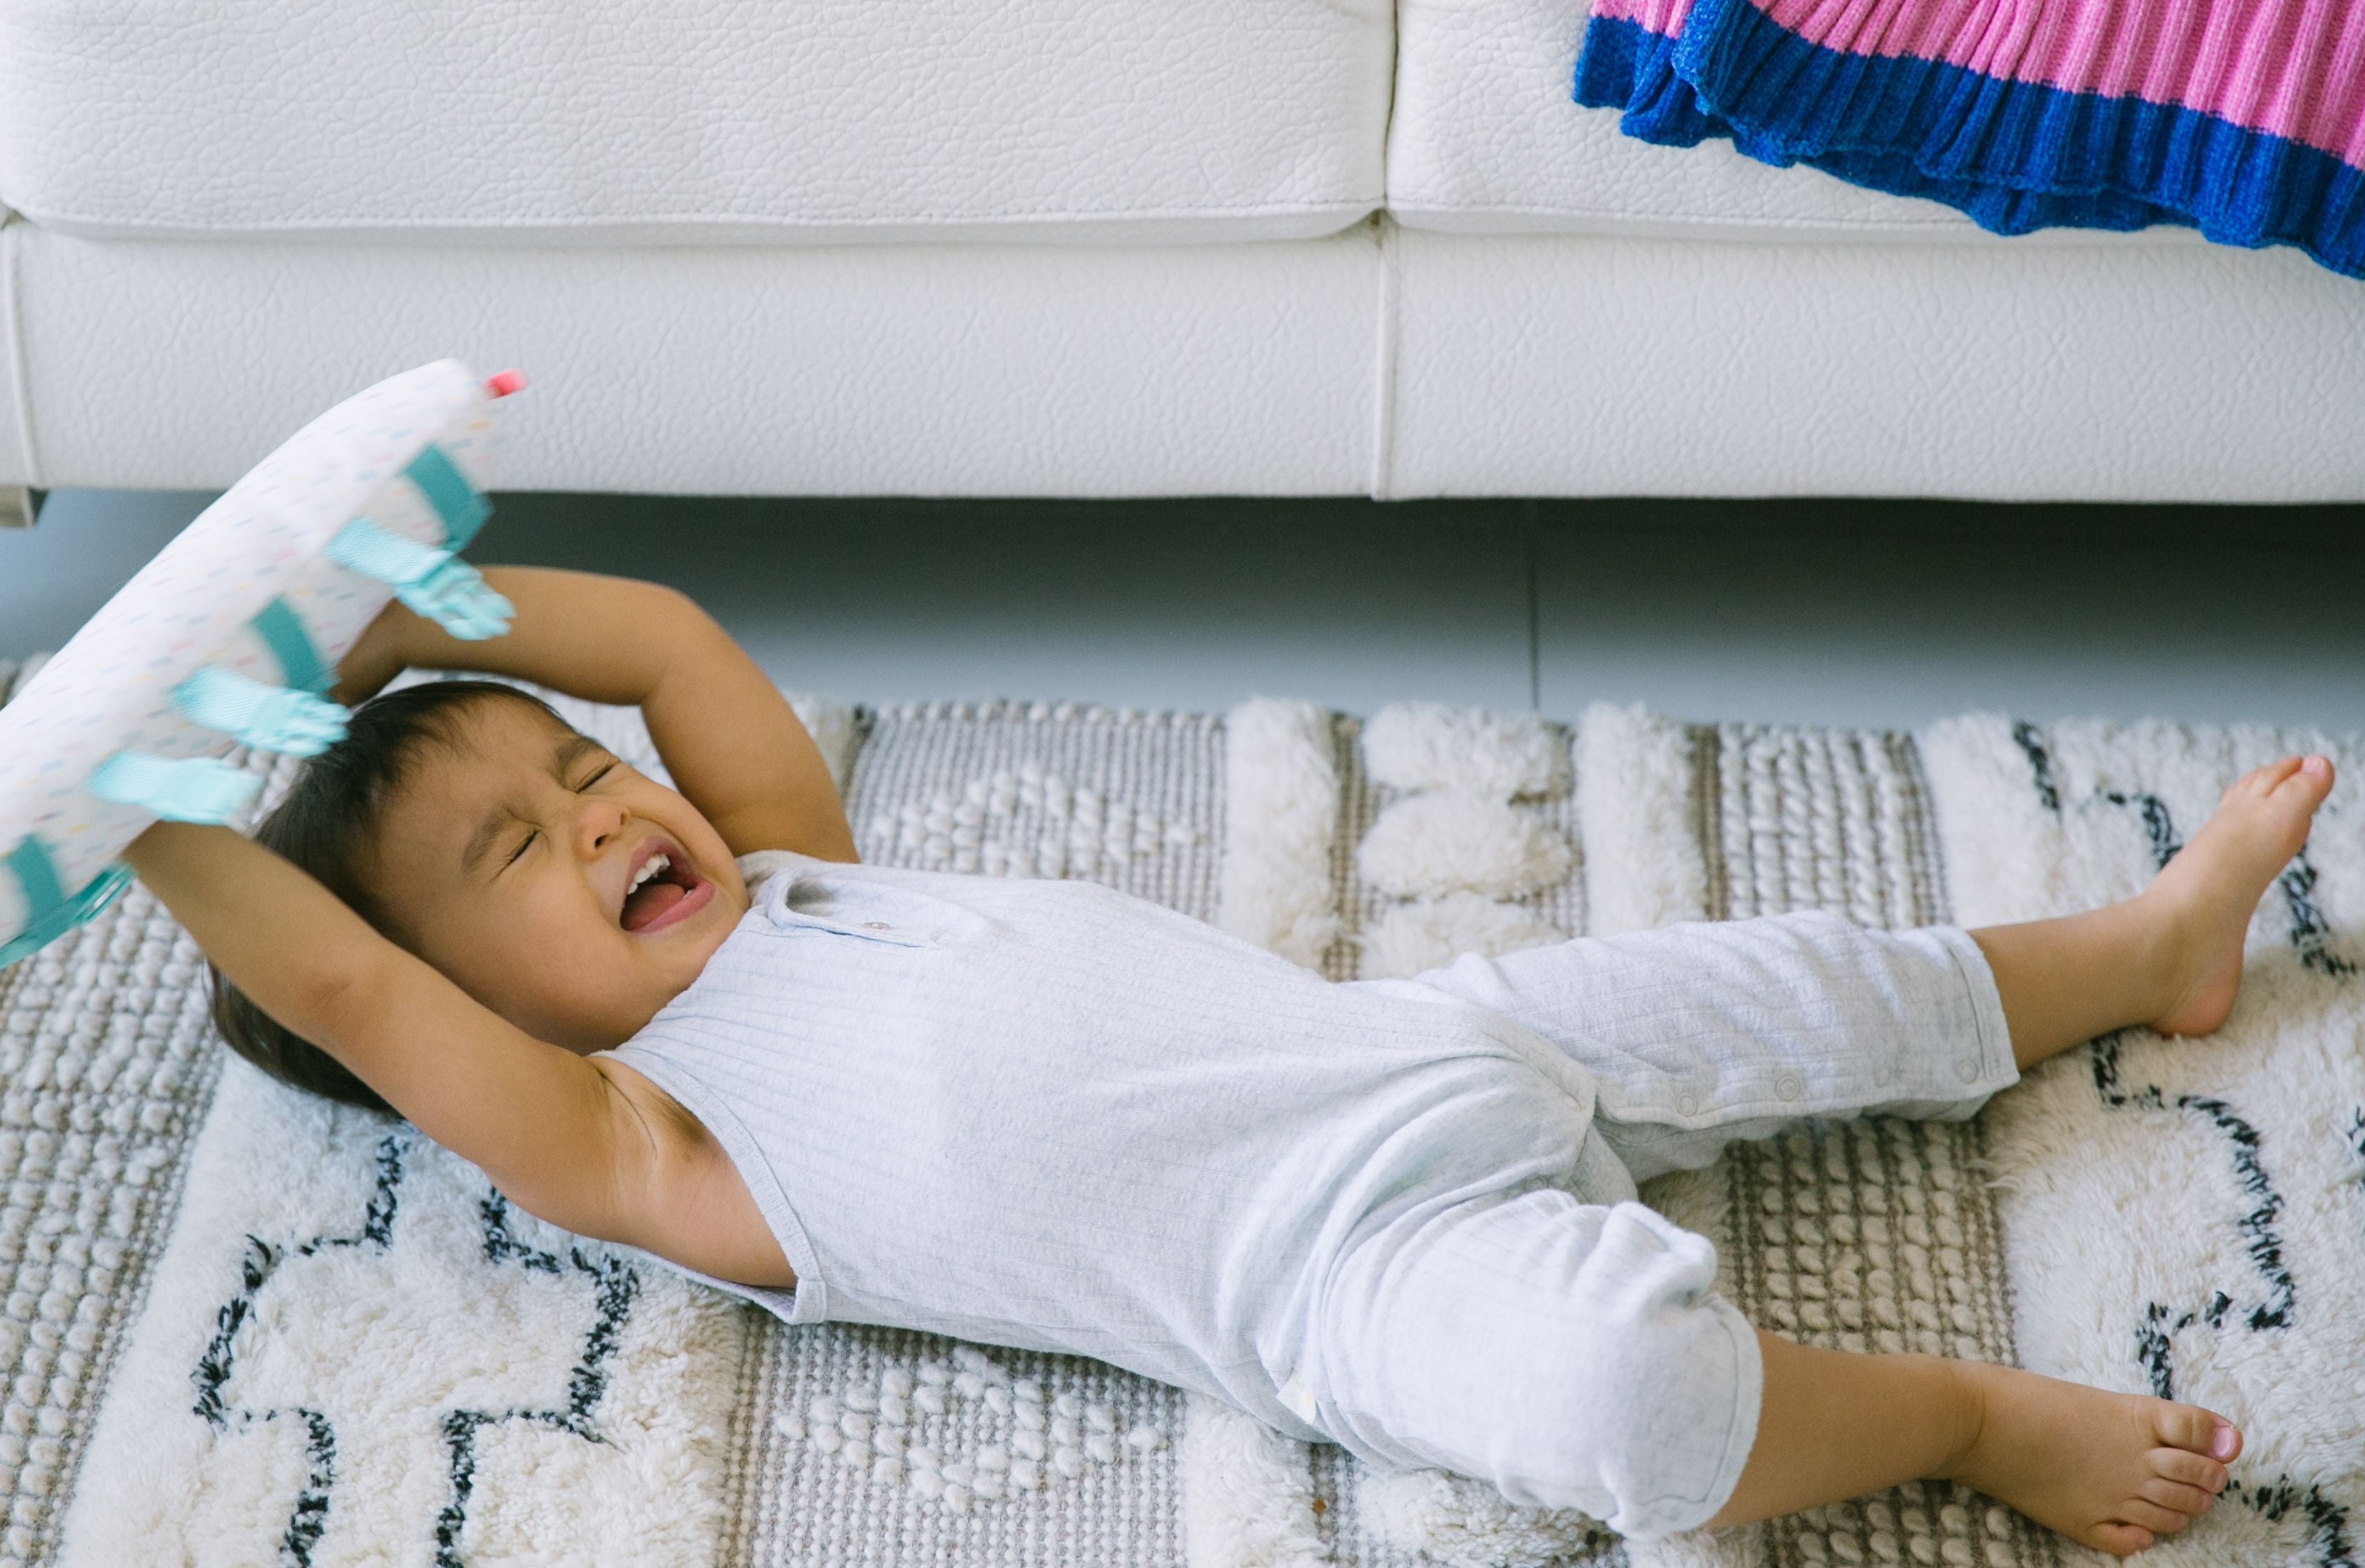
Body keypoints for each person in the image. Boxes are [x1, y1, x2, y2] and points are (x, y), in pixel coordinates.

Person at [121, 564, 2323, 1553]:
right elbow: (345, 992)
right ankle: (1963, 1417)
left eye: (577, 775)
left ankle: (2129, 947)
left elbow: (677, 650)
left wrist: (409, 621)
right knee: (1627, 1405)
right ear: (481, 1027)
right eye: (516, 847)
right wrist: (122, 805)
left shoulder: (796, 869)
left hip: (1435, 1047)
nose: (606, 807)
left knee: (1788, 980)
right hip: (1336, 1286)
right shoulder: (647, 1133)